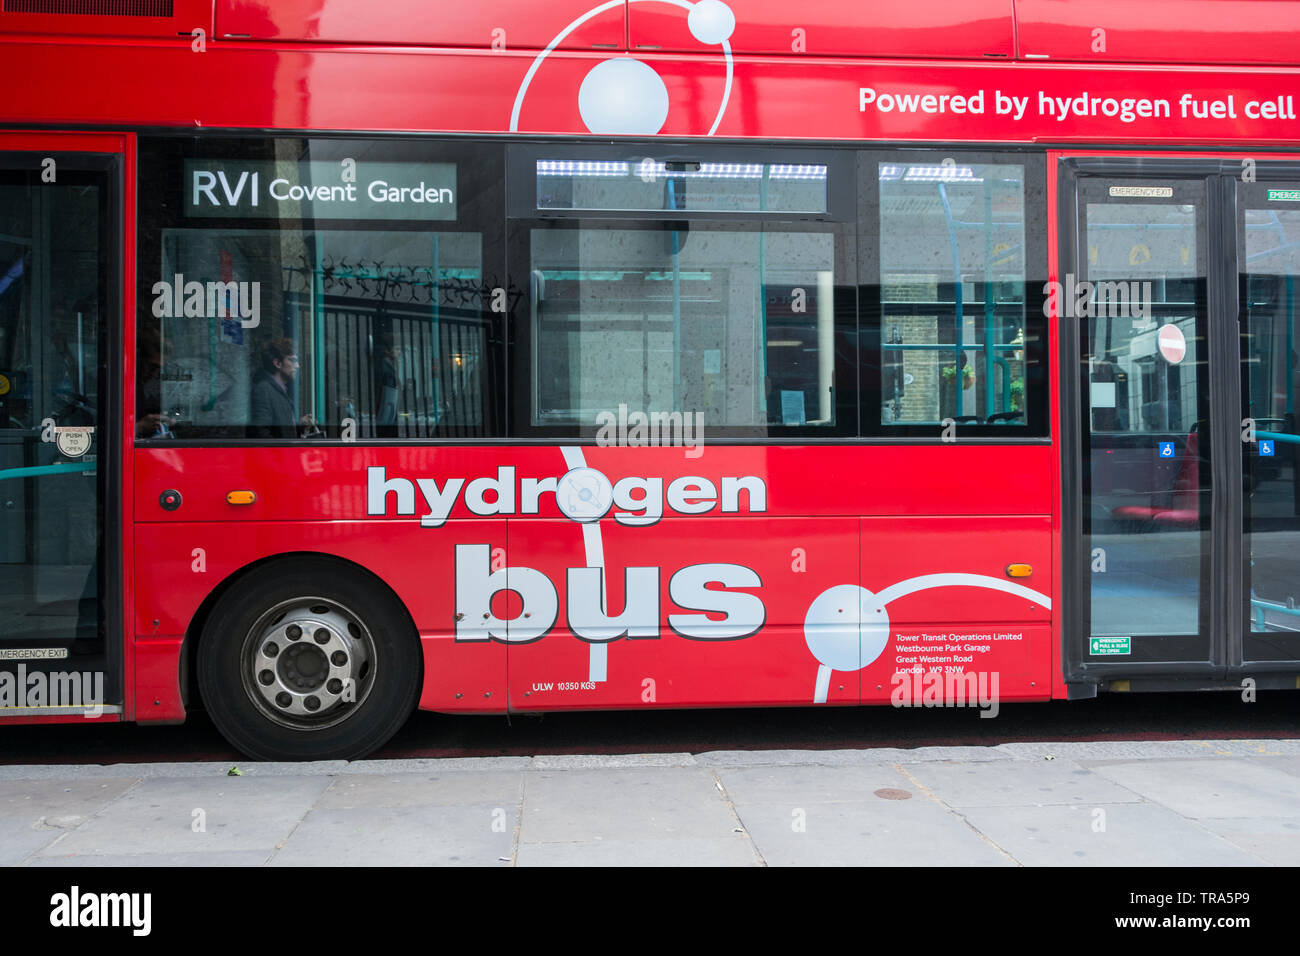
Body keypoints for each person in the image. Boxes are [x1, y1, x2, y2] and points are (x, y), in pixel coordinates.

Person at [249, 337, 317, 438]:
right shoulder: (263, 390)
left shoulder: (279, 389)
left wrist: (299, 426)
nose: (297, 365)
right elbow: (261, 436)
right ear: (277, 363)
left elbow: (280, 433)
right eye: (293, 360)